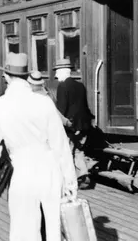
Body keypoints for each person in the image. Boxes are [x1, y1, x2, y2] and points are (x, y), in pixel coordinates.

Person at [0, 53, 77, 241]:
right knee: (54, 229)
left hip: (22, 172)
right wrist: (70, 181)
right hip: (50, 171)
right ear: (27, 76)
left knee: (24, 231)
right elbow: (60, 145)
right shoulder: (45, 103)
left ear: (6, 76)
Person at [54, 58, 94, 189]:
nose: (56, 75)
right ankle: (83, 175)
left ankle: (69, 180)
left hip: (70, 127)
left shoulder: (62, 86)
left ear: (63, 71)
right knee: (78, 151)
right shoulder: (80, 85)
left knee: (67, 152)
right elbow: (84, 107)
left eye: (57, 72)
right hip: (82, 126)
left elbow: (61, 110)